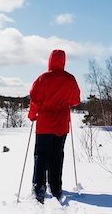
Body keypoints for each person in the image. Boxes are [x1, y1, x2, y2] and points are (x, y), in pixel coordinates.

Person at [28, 49, 80, 204]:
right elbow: (75, 100)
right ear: (63, 61)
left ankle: (39, 186)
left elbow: (35, 99)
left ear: (50, 60)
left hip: (44, 125)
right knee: (57, 155)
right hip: (61, 125)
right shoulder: (70, 79)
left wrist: (32, 115)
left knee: (41, 155)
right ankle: (56, 186)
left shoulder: (43, 78)